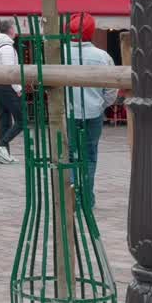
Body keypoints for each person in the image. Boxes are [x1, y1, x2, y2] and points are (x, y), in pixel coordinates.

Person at [63, 13, 117, 209]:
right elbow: (111, 89)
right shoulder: (102, 57)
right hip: (93, 113)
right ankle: (85, 197)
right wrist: (101, 104)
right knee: (90, 155)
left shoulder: (60, 54)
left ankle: (72, 195)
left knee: (70, 155)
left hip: (67, 113)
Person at [0, 19, 25, 163]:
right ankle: (1, 145)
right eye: (14, 28)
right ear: (10, 30)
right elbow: (11, 71)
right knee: (22, 120)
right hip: (7, 87)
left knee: (5, 121)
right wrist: (18, 88)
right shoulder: (8, 48)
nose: (15, 31)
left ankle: (4, 155)